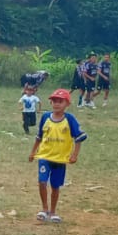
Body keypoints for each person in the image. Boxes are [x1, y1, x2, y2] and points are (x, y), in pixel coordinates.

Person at [30, 88, 86, 223]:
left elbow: (79, 138)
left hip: (60, 159)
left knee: (55, 186)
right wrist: (33, 152)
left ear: (67, 104)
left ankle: (53, 211)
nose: (56, 104)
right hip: (44, 156)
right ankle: (44, 209)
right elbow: (39, 136)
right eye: (54, 101)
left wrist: (74, 155)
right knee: (42, 182)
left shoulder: (69, 119)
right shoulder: (45, 117)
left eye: (60, 101)